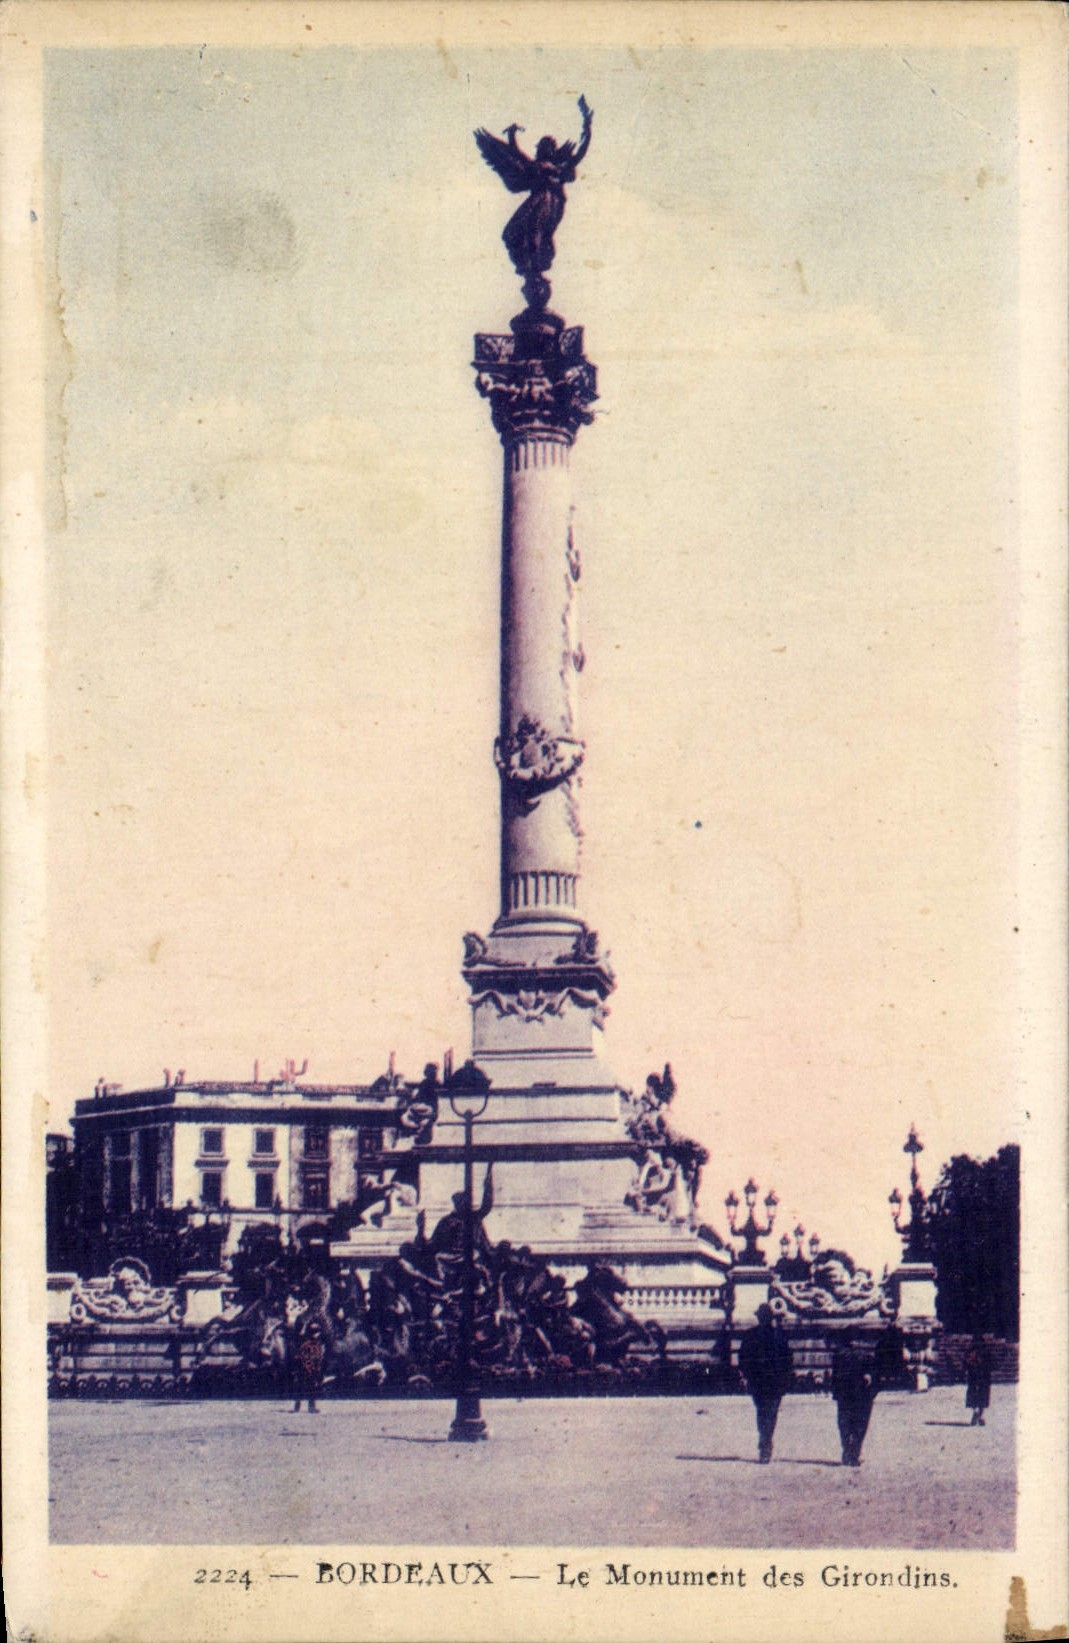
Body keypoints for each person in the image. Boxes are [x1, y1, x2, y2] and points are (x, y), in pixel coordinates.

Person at [738, 1304, 794, 1463]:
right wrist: (786, 1377)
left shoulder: (750, 1335)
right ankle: (766, 1441)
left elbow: (743, 1358)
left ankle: (765, 1442)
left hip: (759, 1381)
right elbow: (788, 1359)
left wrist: (746, 1375)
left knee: (762, 1412)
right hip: (773, 1381)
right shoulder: (779, 1334)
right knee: (770, 1413)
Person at [829, 1327, 876, 1466]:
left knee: (844, 1424)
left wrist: (836, 1394)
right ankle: (854, 1453)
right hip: (862, 1396)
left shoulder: (838, 1356)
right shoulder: (866, 1356)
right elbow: (874, 1378)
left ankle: (846, 1451)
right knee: (860, 1425)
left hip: (844, 1396)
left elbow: (835, 1379)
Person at [291, 1320, 326, 1413]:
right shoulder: (306, 1344)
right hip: (304, 1369)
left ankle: (311, 1407)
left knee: (312, 1388)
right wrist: (309, 1368)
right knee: (300, 1387)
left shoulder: (318, 1344)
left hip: (312, 1369)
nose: (317, 1334)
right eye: (315, 1332)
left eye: (317, 1332)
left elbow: (318, 1357)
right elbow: (304, 1357)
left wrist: (317, 1368)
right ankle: (297, 1406)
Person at [964, 1332, 993, 1426]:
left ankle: (975, 1411)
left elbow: (965, 1364)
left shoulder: (970, 1352)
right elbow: (992, 1364)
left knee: (973, 1393)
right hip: (984, 1376)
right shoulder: (986, 1351)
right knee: (983, 1395)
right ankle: (981, 1416)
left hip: (973, 1376)